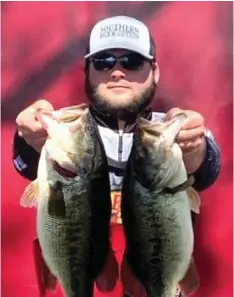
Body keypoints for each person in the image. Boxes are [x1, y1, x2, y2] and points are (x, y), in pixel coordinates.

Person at [12, 15, 221, 297]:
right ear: (86, 71)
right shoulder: (64, 129)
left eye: (132, 61)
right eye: (103, 62)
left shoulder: (172, 133)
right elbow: (25, 160)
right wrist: (27, 136)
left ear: (155, 71)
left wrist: (196, 148)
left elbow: (207, 166)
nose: (117, 72)